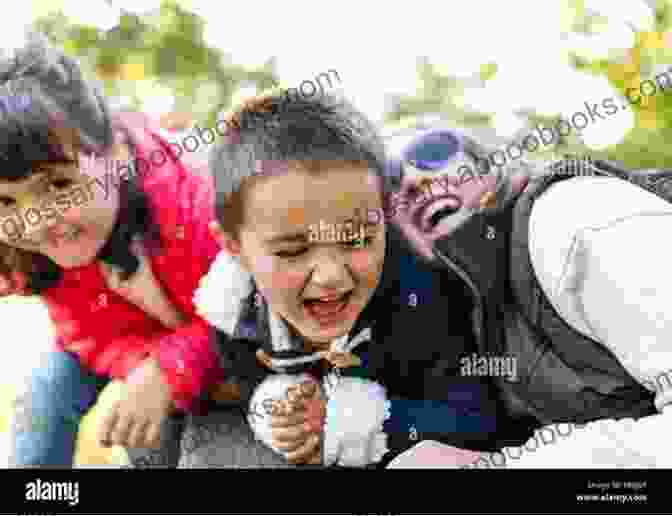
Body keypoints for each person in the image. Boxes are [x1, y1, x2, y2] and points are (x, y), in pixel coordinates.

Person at [184, 88, 517, 468]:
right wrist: (279, 413)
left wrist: (355, 422)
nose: (330, 277)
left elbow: (479, 414)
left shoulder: (422, 292)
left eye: (358, 240)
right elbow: (249, 384)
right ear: (234, 248)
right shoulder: (235, 314)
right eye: (292, 251)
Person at [381, 123, 672, 468]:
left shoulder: (575, 219)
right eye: (391, 180)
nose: (413, 180)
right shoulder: (492, 312)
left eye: (431, 151)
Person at [0, 31, 223, 467]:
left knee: (163, 443)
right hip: (108, 337)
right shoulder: (27, 246)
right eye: (5, 201)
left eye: (59, 185)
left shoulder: (192, 207)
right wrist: (138, 365)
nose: (37, 221)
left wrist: (167, 369)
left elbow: (243, 322)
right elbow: (79, 327)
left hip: (205, 338)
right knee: (42, 397)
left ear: (116, 154)